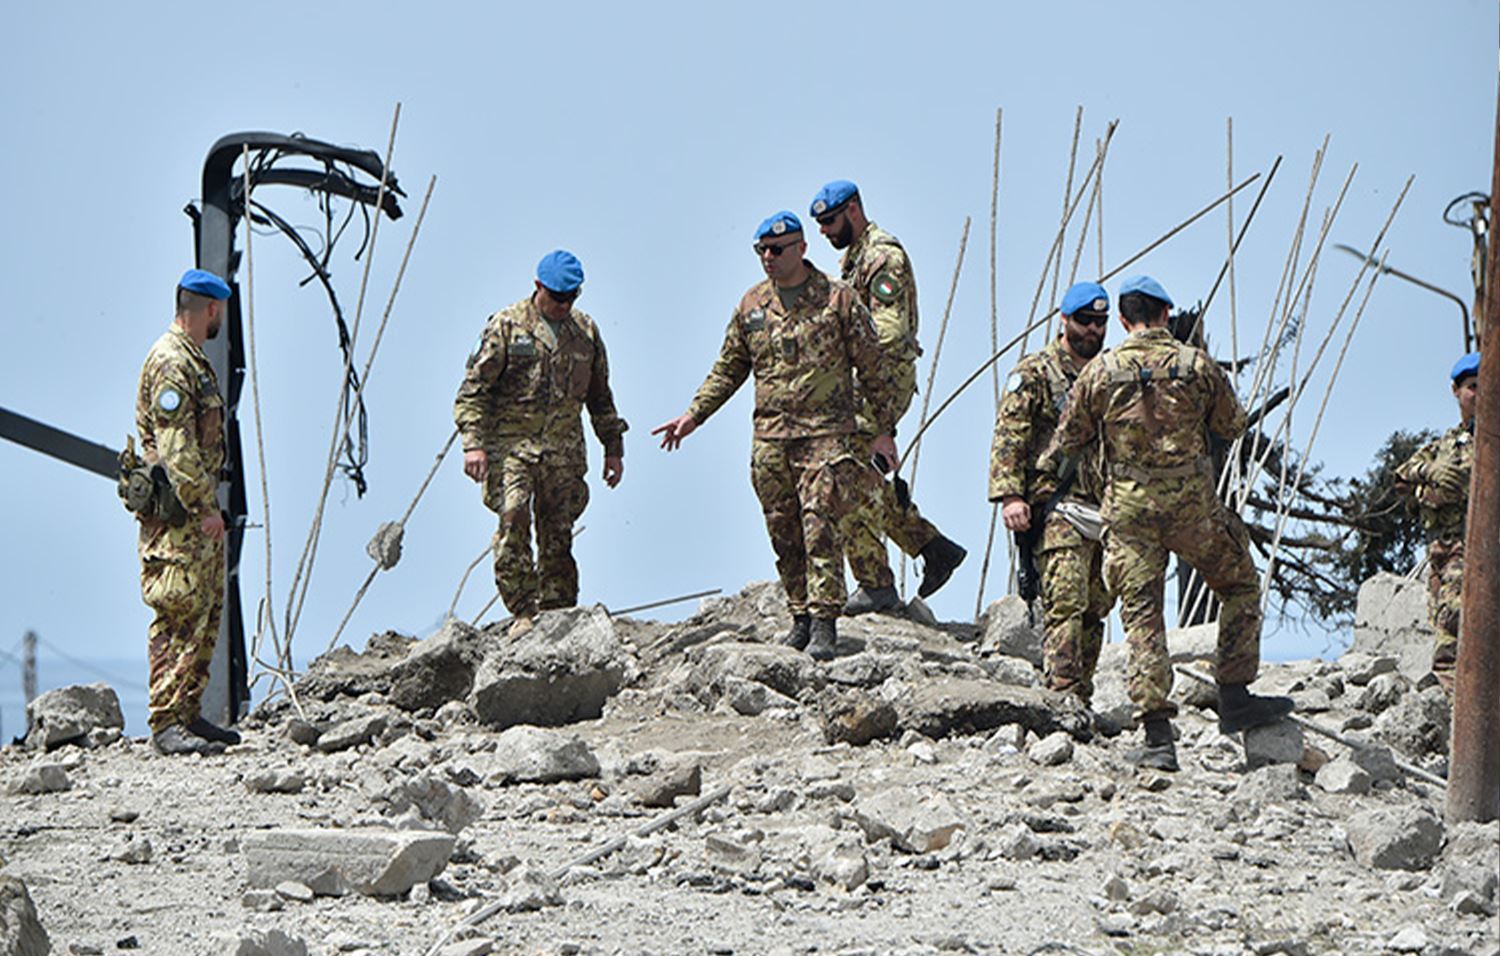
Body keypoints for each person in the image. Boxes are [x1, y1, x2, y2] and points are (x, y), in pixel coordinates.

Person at [1051, 275, 1292, 771]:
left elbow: (1068, 440)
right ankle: (1234, 694)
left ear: (1122, 320)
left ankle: (1159, 739)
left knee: (1142, 618)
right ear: (1165, 314)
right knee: (1240, 585)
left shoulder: (1099, 371)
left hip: (1130, 514)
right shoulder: (1195, 365)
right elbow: (1232, 424)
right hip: (1192, 510)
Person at [654, 211, 902, 660]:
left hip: (828, 435)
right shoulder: (751, 306)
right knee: (783, 529)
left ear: (801, 249)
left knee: (819, 524)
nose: (768, 258)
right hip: (771, 438)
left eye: (777, 250)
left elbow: (874, 370)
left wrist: (883, 431)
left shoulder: (838, 299)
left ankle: (826, 622)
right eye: (761, 251)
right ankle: (801, 615)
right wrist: (694, 416)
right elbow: (729, 368)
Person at [809, 180, 966, 614]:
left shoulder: (882, 258)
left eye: (829, 221)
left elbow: (889, 336)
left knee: (844, 480)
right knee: (864, 481)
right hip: (864, 384)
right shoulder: (855, 259)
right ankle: (933, 548)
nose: (824, 230)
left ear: (853, 210)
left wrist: (881, 423)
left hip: (879, 385)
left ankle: (876, 585)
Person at [454, 250, 627, 635]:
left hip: (563, 451)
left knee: (558, 532)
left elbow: (600, 396)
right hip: (511, 447)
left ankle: (557, 611)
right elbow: (473, 392)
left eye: (571, 298)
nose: (564, 305)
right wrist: (473, 445)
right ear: (538, 288)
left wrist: (612, 447)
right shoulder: (506, 326)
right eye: (557, 297)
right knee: (513, 518)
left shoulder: (585, 332)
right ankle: (523, 610)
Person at [989, 281, 1114, 704]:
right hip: (1056, 503)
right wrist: (1010, 496)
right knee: (1065, 600)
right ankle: (1061, 692)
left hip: (1104, 507)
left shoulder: (1110, 374)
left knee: (1097, 605)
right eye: (1085, 321)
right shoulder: (1036, 372)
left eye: (1100, 322)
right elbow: (1009, 436)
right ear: (1064, 320)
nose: (1094, 331)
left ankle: (1082, 691)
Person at [134, 269, 239, 756]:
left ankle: (187, 714)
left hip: (192, 518)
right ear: (211, 309)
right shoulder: (173, 363)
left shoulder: (193, 361)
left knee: (202, 612)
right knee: (177, 613)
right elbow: (177, 452)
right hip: (180, 519)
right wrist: (204, 509)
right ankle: (165, 722)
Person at [1394, 351, 1479, 694]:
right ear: (1456, 392)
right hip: (1444, 555)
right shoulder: (1441, 447)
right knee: (1446, 629)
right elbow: (1401, 478)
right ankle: (1455, 710)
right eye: (1473, 386)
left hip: (1480, 553)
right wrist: (1431, 476)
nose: (1481, 394)